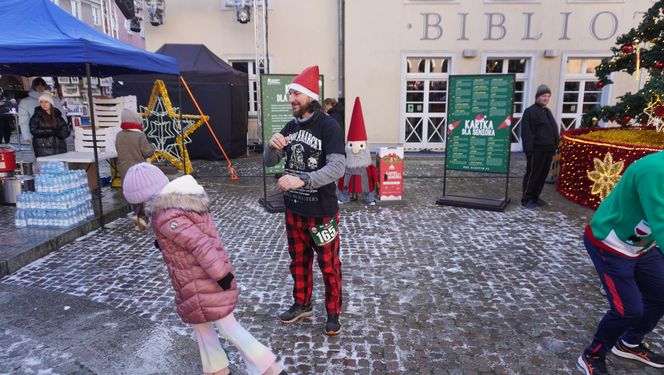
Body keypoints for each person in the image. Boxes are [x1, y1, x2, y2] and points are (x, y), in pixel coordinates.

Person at [122, 163, 286, 375]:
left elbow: (200, 244)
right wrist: (164, 242)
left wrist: (221, 275)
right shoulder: (179, 203)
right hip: (193, 280)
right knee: (201, 325)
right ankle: (216, 368)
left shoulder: (165, 216)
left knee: (228, 327)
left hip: (205, 279)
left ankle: (269, 368)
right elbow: (188, 236)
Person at [263, 65, 346, 335]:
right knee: (298, 261)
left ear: (311, 96)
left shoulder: (328, 126)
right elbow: (270, 162)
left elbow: (337, 168)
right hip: (294, 210)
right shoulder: (290, 126)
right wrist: (270, 146)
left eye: (296, 94)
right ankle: (302, 304)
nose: (292, 99)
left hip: (322, 212)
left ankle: (333, 312)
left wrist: (303, 179)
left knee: (329, 266)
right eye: (290, 94)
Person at [577, 150, 664, 375]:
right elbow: (661, 221)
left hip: (643, 246)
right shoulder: (655, 169)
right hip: (611, 244)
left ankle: (629, 344)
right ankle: (592, 354)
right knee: (628, 310)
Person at [115, 109, 155, 231]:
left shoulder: (119, 135)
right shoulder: (139, 135)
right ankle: (141, 218)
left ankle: (137, 216)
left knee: (133, 194)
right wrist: (153, 146)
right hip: (139, 171)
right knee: (143, 194)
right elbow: (147, 152)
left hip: (125, 170)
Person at [520, 84, 559, 209]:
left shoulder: (547, 111)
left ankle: (536, 197)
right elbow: (527, 132)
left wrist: (555, 143)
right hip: (536, 150)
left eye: (548, 96)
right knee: (533, 175)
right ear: (537, 97)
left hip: (548, 149)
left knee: (542, 175)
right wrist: (529, 150)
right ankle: (527, 199)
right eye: (543, 96)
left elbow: (553, 128)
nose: (546, 98)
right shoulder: (530, 112)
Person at [338, 97, 378, 205]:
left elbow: (374, 172)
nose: (355, 149)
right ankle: (344, 197)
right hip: (349, 169)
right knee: (346, 182)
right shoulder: (347, 163)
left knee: (367, 184)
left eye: (360, 145)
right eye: (351, 145)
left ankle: (369, 197)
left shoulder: (367, 165)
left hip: (363, 171)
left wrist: (377, 177)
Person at [18, 77, 67, 142]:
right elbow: (24, 120)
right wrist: (27, 136)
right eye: (37, 85)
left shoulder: (54, 100)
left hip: (56, 137)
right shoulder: (25, 102)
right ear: (33, 87)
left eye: (42, 84)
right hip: (37, 138)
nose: (40, 86)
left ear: (45, 86)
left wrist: (63, 132)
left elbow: (62, 117)